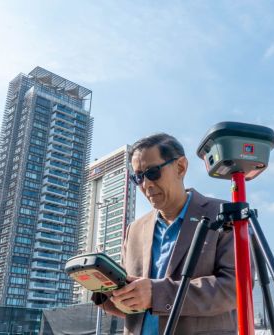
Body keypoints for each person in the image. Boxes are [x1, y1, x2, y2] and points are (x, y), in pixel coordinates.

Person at [92, 133, 237, 334]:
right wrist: (107, 291)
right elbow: (133, 304)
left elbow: (234, 288)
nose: (146, 185)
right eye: (138, 177)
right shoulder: (134, 230)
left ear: (181, 167)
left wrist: (157, 294)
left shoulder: (224, 214)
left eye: (152, 173)